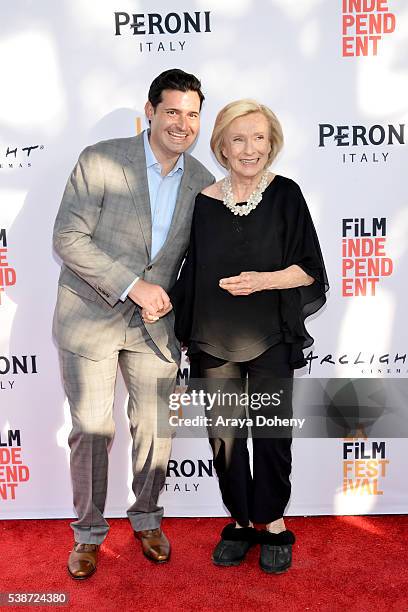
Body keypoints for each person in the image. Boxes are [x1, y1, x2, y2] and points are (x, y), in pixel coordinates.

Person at [143, 99, 328, 573]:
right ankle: (243, 520)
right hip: (211, 339)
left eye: (259, 138)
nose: (250, 149)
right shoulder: (204, 201)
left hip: (270, 335)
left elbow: (309, 270)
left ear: (272, 143)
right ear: (222, 146)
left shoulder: (287, 194)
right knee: (224, 437)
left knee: (271, 433)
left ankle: (274, 521)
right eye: (239, 139)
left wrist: (262, 280)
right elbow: (191, 268)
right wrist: (164, 309)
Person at [53, 68, 214, 579]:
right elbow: (69, 237)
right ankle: (88, 533)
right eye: (172, 111)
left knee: (156, 431)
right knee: (93, 430)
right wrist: (131, 285)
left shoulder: (203, 183)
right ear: (149, 111)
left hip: (155, 327)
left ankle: (147, 518)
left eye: (192, 115)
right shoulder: (101, 159)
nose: (182, 124)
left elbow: (198, 265)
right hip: (90, 315)